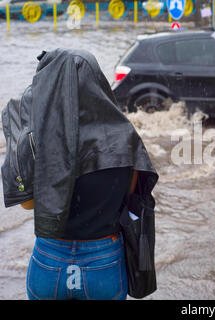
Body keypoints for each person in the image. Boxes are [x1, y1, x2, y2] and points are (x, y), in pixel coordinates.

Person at [4, 49, 158, 300]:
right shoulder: (124, 136)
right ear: (97, 81)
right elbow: (130, 197)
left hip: (49, 260)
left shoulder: (40, 138)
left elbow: (28, 204)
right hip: (103, 261)